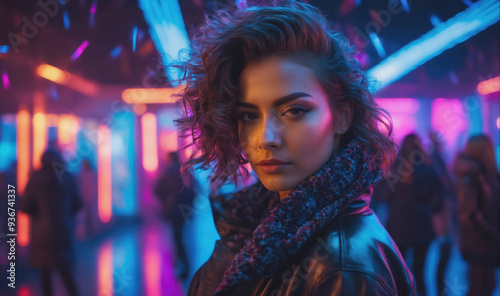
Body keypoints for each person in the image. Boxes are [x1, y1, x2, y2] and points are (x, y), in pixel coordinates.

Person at [174, 1, 416, 295]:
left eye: (294, 111)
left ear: (342, 116)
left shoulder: (343, 268)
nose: (266, 138)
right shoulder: (263, 224)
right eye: (249, 115)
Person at [381, 134, 444, 296]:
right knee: (419, 271)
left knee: (399, 273)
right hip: (422, 226)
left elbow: (385, 198)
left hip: (398, 226)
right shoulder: (428, 171)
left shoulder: (394, 170)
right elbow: (439, 200)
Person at [20, 149, 82, 296]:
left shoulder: (35, 179)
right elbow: (77, 204)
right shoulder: (67, 177)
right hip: (63, 231)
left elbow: (25, 206)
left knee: (45, 275)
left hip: (41, 235)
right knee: (66, 272)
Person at [453, 135, 500, 296]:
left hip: (484, 242)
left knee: (487, 287)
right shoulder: (471, 176)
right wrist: (492, 232)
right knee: (480, 289)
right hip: (479, 243)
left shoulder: (484, 174)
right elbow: (469, 213)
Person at [154, 151, 196, 279]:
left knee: (177, 238)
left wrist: (166, 201)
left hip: (173, 210)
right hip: (183, 210)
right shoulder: (184, 172)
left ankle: (181, 265)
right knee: (181, 237)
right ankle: (184, 265)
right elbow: (194, 190)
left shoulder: (168, 173)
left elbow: (157, 189)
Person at [428, 131, 456, 296]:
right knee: (444, 251)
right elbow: (442, 189)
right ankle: (441, 291)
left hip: (441, 213)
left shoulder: (435, 159)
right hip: (441, 214)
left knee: (443, 253)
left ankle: (441, 290)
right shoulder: (436, 160)